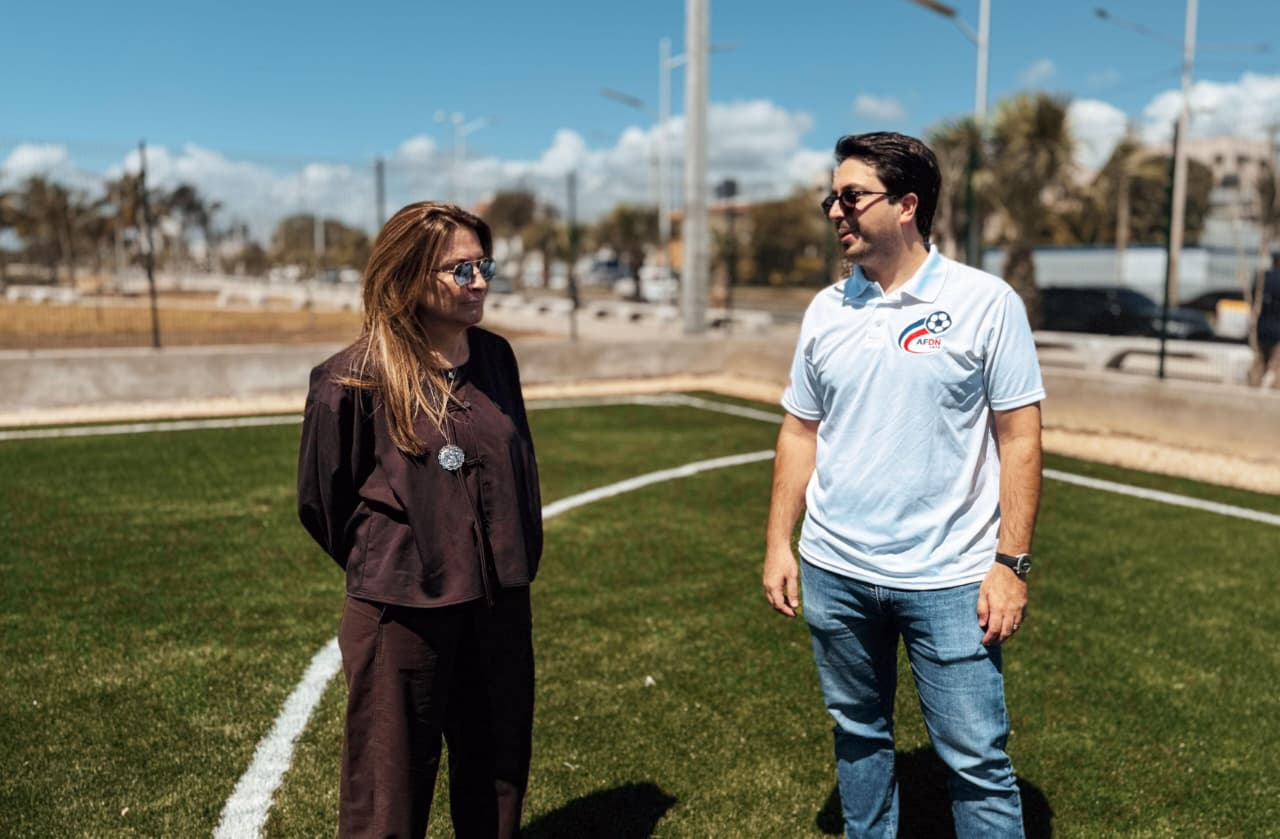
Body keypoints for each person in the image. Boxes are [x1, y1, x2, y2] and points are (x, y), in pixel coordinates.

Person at [762, 132, 1044, 838]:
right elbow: (800, 430)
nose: (835, 210)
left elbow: (1021, 438)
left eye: (851, 195)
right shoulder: (827, 310)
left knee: (976, 761)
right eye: (831, 196)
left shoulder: (986, 302)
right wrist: (779, 543)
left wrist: (1010, 564)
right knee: (858, 736)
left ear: (908, 204)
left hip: (949, 579)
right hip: (836, 572)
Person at [297, 201, 542, 838]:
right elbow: (324, 502)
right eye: (461, 270)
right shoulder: (349, 381)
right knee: (387, 796)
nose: (481, 282)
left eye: (484, 265)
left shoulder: (496, 359)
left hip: (497, 606)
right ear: (409, 276)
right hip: (402, 612)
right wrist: (403, 557)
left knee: (496, 779)